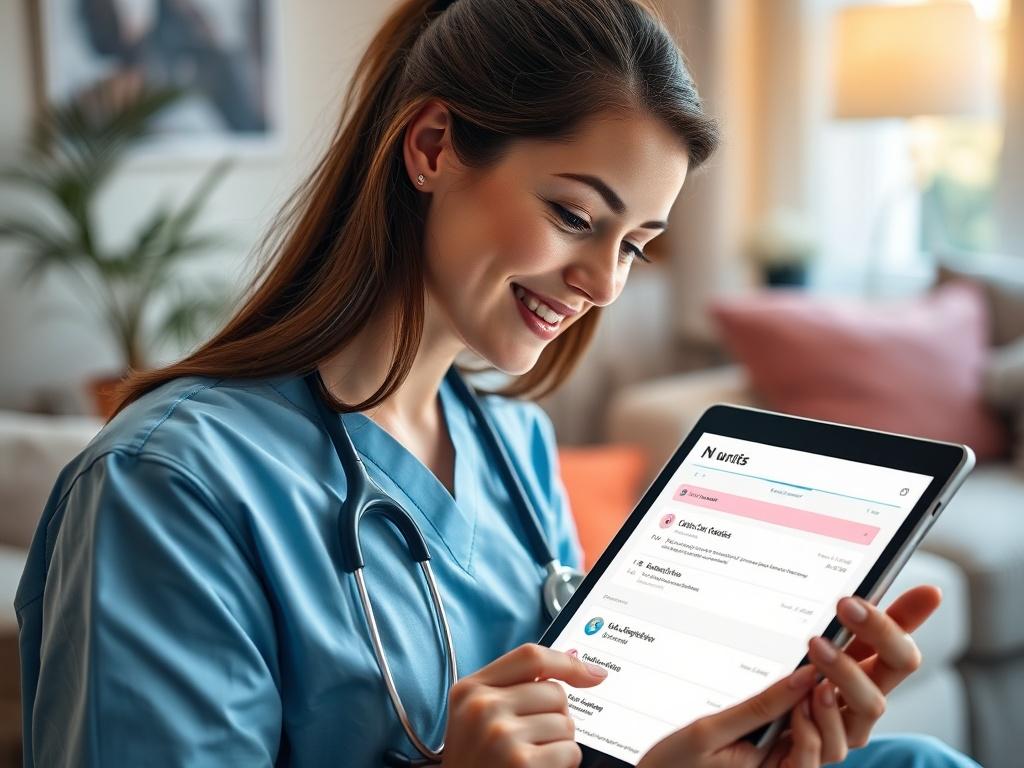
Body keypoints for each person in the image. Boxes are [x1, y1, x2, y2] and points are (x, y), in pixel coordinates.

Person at [16, 1, 981, 766]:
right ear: (432, 147)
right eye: (573, 214)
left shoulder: (510, 445)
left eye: (636, 246)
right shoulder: (166, 487)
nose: (603, 283)